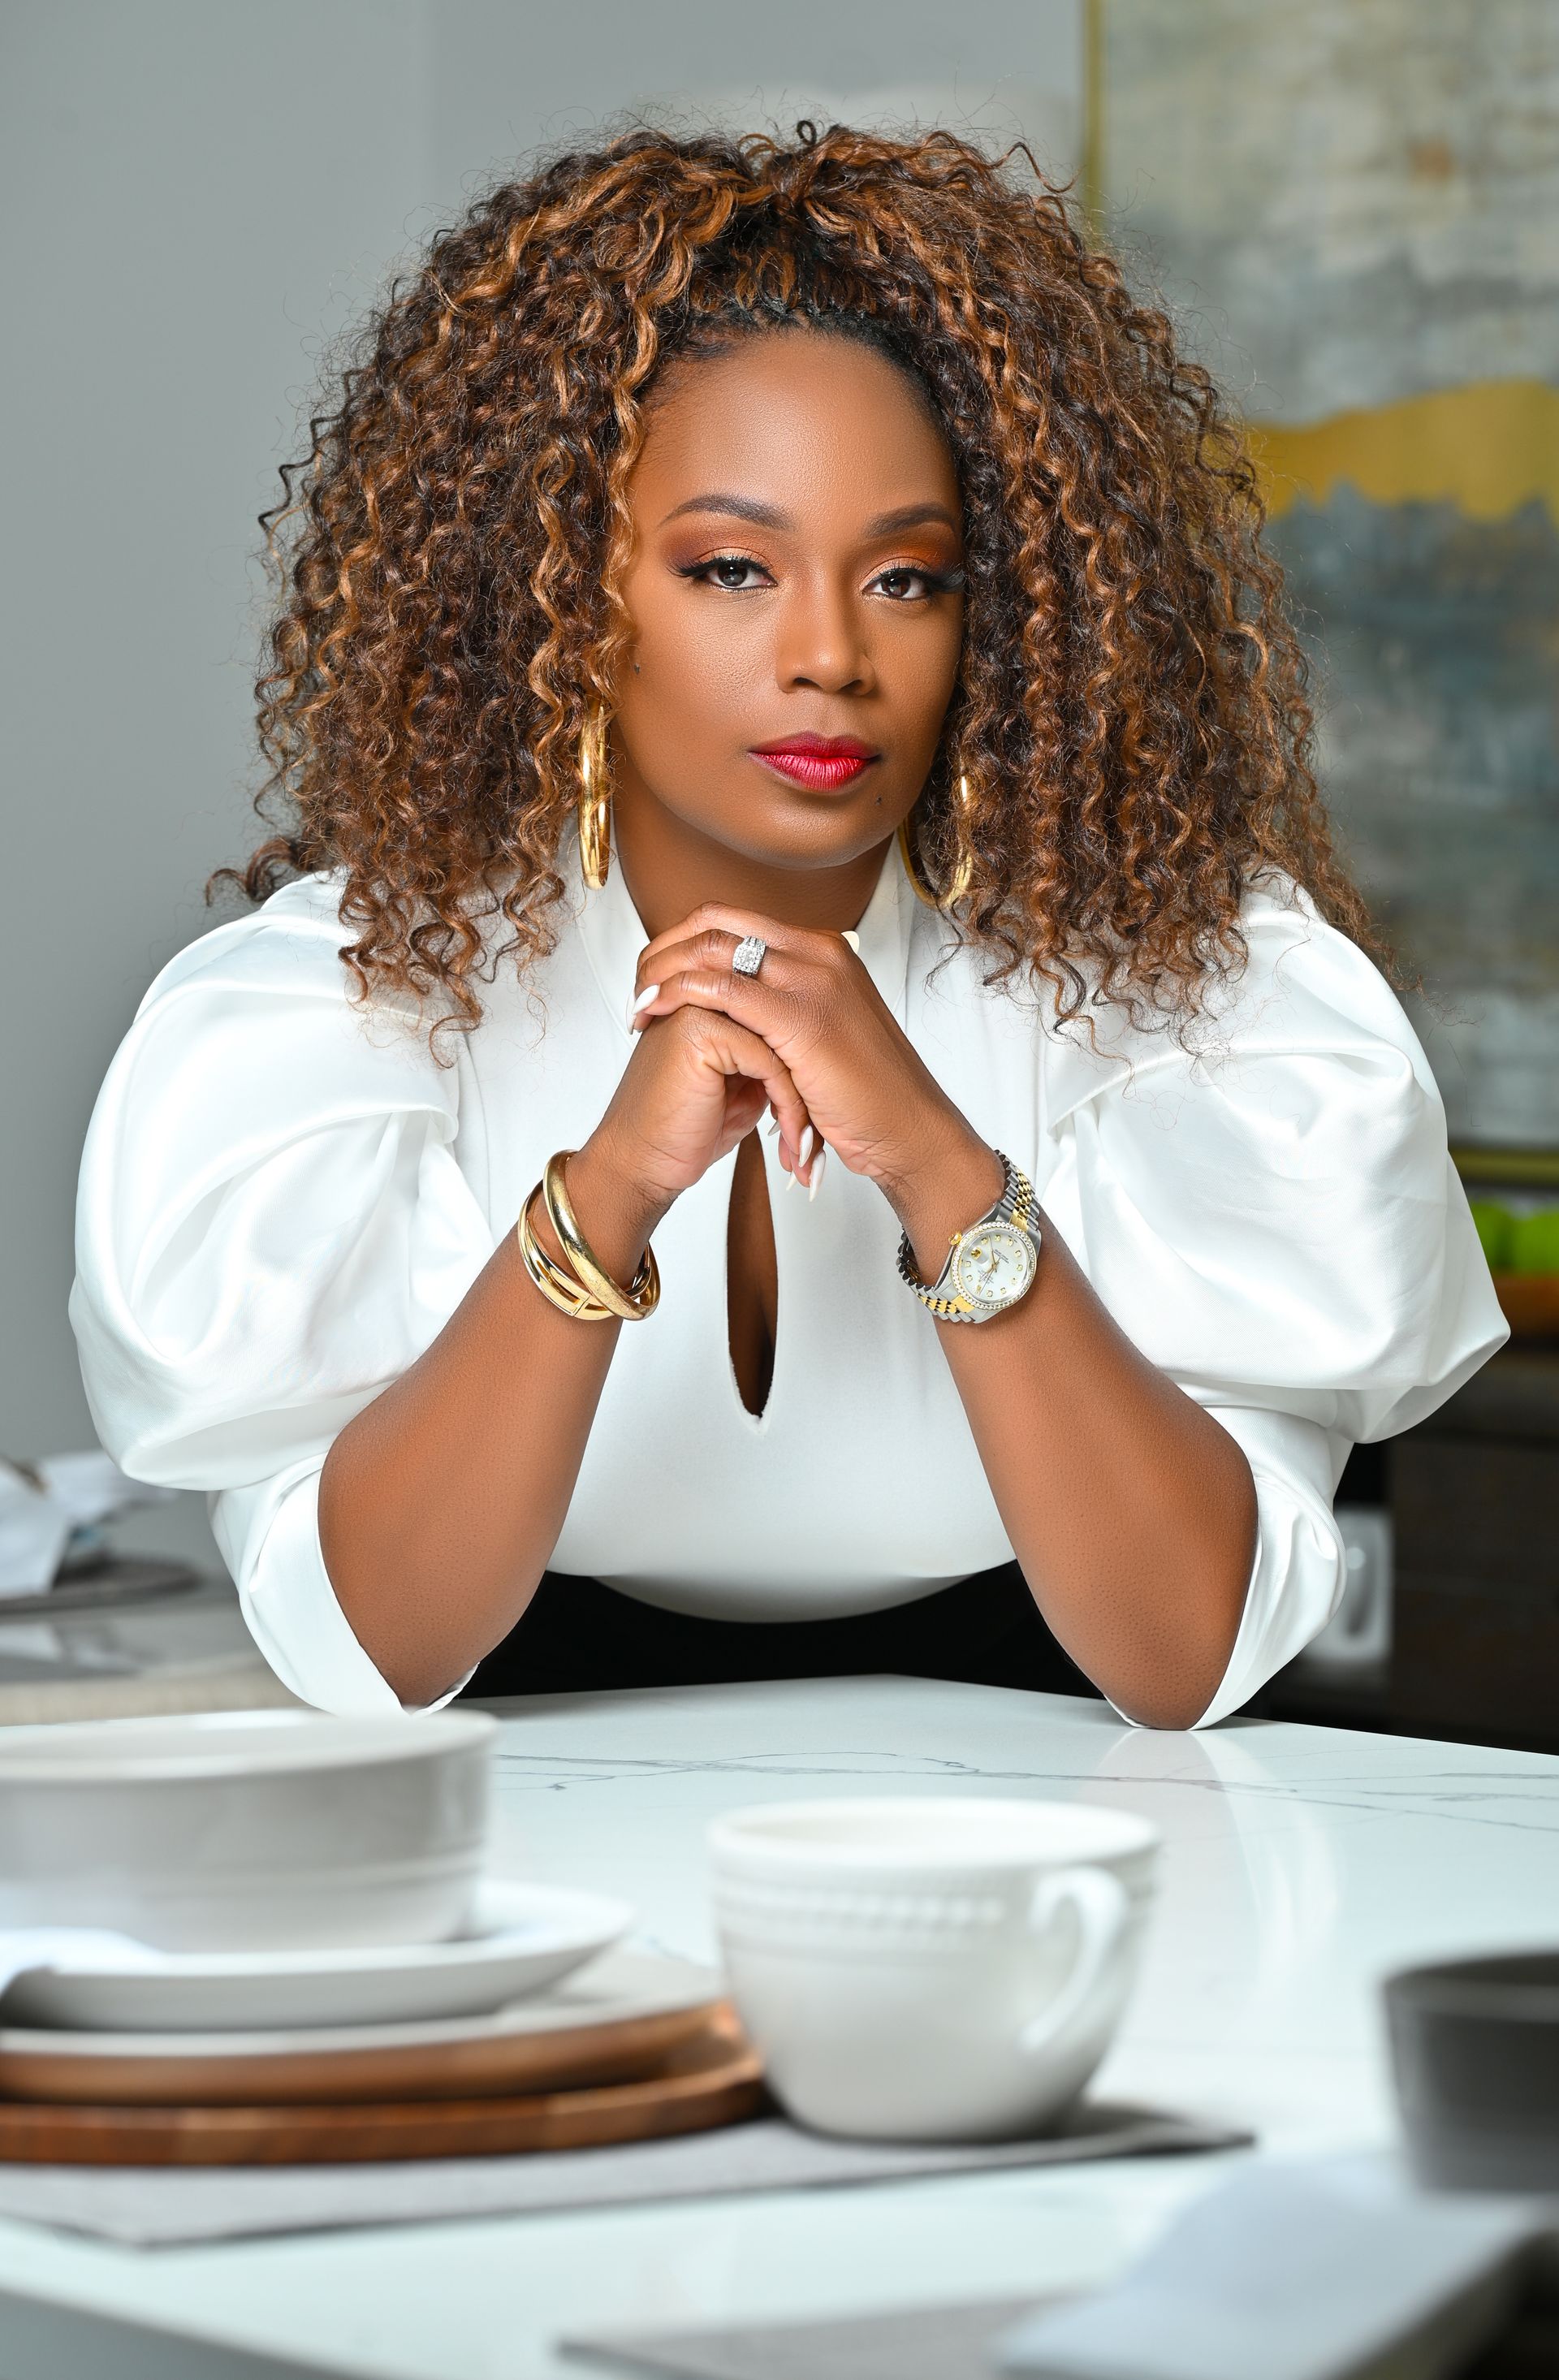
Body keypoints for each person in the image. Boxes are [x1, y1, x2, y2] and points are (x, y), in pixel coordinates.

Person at [70, 125, 1505, 1730]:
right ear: (558, 591)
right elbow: (368, 1648)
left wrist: (938, 1159)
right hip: (526, 1897)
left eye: (909, 580)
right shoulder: (347, 1012)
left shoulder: (1194, 1001)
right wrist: (613, 1185)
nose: (830, 653)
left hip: (1063, 1882)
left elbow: (1185, 1651)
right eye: (733, 567)